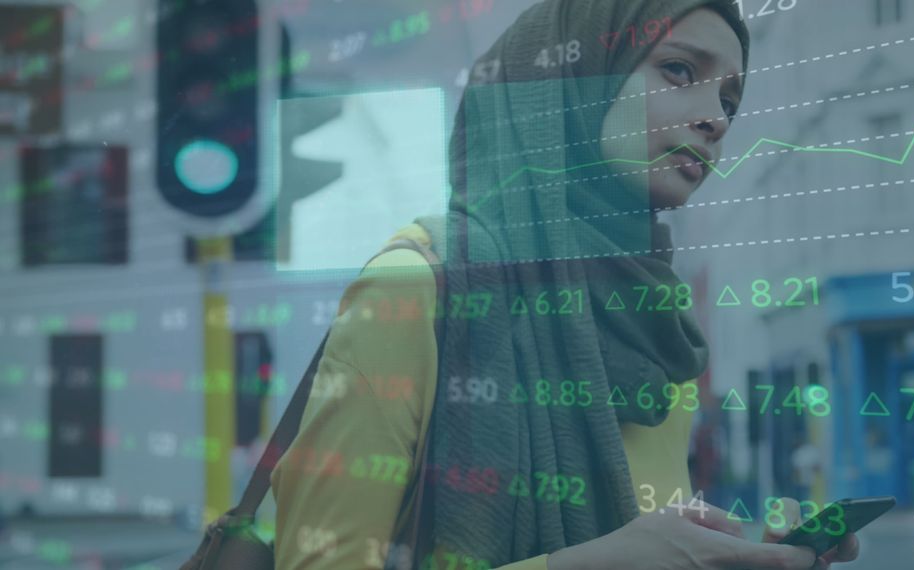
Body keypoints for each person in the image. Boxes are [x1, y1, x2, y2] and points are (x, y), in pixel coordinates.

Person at [272, 1, 861, 569]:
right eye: (679, 70)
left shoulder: (660, 328)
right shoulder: (415, 287)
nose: (716, 118)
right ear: (573, 80)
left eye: (730, 99)